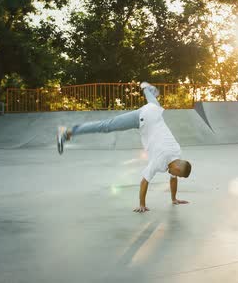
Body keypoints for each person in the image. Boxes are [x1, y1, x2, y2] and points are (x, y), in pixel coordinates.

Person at [56, 82, 192, 213]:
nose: (174, 175)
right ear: (178, 167)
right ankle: (67, 132)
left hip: (155, 112)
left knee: (153, 103)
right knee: (106, 126)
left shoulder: (177, 153)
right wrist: (142, 205)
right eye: (177, 173)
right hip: (142, 117)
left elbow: (173, 178)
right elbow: (144, 181)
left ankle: (145, 87)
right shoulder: (160, 159)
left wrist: (174, 199)